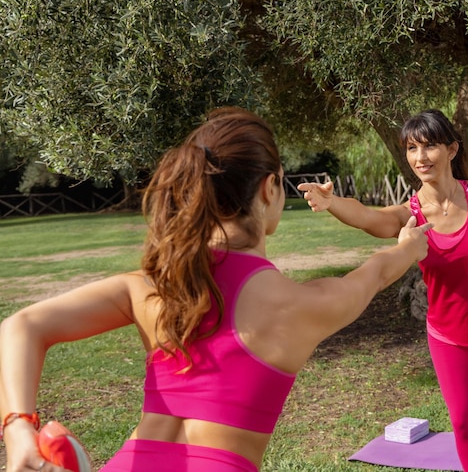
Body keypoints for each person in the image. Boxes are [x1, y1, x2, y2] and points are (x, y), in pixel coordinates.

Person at [0, 107, 432, 472]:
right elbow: (374, 273)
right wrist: (410, 245)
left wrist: (18, 428)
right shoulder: (302, 306)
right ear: (269, 188)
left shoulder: (152, 286)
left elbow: (21, 327)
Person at [298, 108, 468, 472]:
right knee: (465, 425)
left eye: (429, 146)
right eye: (411, 148)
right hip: (449, 331)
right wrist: (332, 203)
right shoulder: (411, 215)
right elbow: (372, 217)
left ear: (451, 150)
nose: (420, 158)